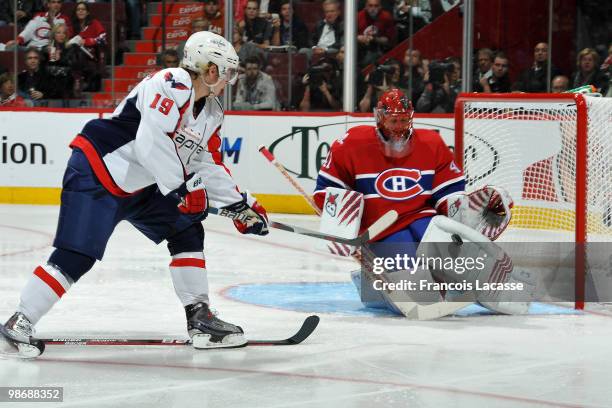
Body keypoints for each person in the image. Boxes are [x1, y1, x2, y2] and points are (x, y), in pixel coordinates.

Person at [0, 31, 270, 359]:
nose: (230, 80)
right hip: (98, 169)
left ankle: (199, 317)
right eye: (227, 72)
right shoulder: (172, 82)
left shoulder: (212, 113)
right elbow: (150, 140)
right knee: (78, 254)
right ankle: (20, 319)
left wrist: (241, 205)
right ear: (210, 70)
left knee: (186, 227)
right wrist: (183, 189)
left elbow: (206, 162)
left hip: (142, 184)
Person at [313, 89, 466, 313]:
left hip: (422, 218)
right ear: (380, 118)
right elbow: (327, 192)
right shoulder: (352, 143)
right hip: (381, 227)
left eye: (404, 120)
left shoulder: (431, 142)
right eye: (394, 120)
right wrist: (340, 220)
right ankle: (370, 284)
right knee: (418, 292)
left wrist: (464, 212)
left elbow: (449, 191)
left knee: (453, 265)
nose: (399, 127)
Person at [68, 0, 106, 92]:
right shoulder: (73, 25)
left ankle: (79, 80)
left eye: (83, 9)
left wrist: (87, 41)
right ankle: (77, 80)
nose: (81, 11)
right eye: (78, 9)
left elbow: (103, 39)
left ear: (88, 12)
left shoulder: (94, 23)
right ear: (75, 12)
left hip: (92, 54)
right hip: (76, 54)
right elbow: (67, 40)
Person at [5, 0, 72, 51]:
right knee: (10, 48)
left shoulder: (64, 19)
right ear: (48, 4)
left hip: (49, 49)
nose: (56, 4)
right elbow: (28, 31)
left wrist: (51, 24)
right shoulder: (39, 16)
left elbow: (68, 35)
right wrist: (18, 41)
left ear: (61, 5)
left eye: (58, 2)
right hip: (32, 48)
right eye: (53, 2)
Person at [357, 0, 397, 67]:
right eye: (370, 6)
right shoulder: (358, 16)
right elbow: (349, 36)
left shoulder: (386, 17)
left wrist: (374, 39)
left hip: (379, 48)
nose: (373, 8)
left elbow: (389, 40)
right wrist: (358, 38)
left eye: (376, 6)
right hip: (360, 46)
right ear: (365, 6)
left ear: (380, 7)